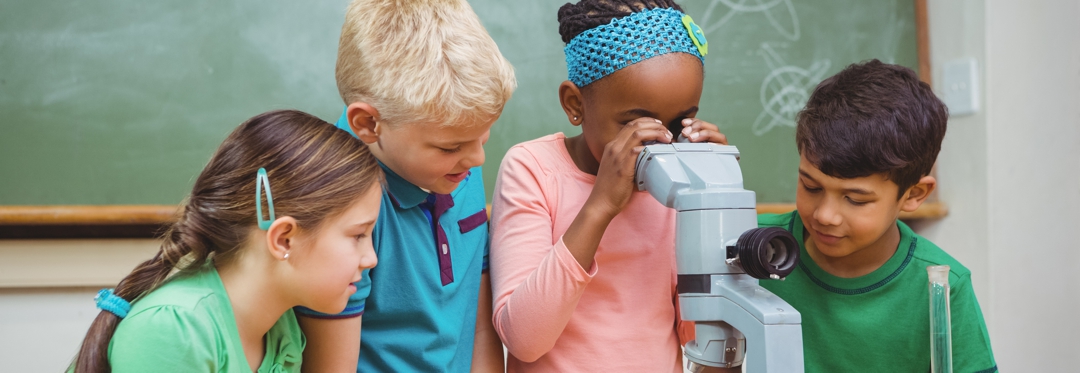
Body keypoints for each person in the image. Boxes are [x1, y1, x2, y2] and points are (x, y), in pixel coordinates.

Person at [488, 1, 734, 372]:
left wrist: (716, 199)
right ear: (575, 105)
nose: (662, 143)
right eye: (635, 126)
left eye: (681, 122)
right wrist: (600, 206)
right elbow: (524, 339)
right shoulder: (533, 169)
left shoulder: (680, 184)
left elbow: (700, 336)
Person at [68, 110, 383, 373]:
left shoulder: (281, 327)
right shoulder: (173, 331)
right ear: (284, 239)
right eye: (358, 235)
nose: (371, 258)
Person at [294, 0, 516, 371]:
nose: (478, 160)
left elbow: (478, 325)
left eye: (484, 137)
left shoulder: (456, 164)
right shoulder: (334, 204)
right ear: (368, 124)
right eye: (451, 147)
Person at [757, 59, 997, 372]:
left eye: (855, 199)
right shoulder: (751, 246)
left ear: (913, 195)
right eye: (810, 186)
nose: (825, 215)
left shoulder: (943, 288)